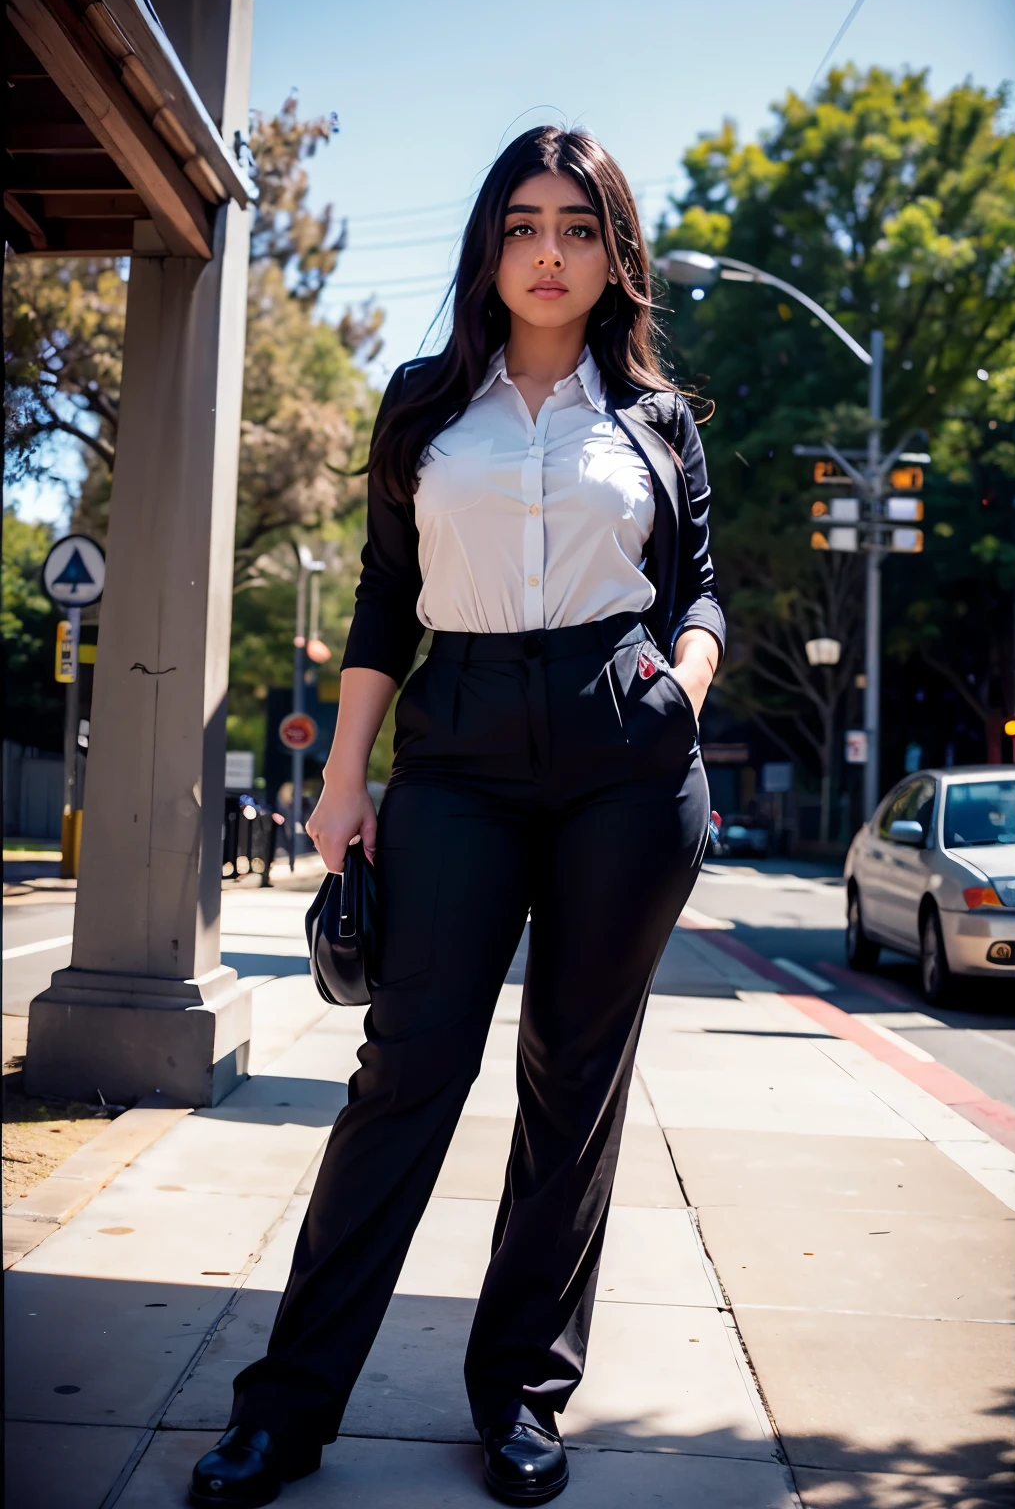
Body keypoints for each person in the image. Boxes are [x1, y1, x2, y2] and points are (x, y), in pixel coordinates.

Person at [190, 125, 724, 1508]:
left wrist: (690, 685)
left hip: (625, 749)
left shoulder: (658, 419)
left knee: (573, 1090)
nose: (551, 254)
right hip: (461, 752)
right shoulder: (427, 404)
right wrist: (343, 775)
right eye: (524, 225)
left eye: (580, 228)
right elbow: (382, 597)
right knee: (406, 1074)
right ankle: (285, 1409)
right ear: (490, 248)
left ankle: (524, 1400)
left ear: (616, 257)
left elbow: (701, 589)